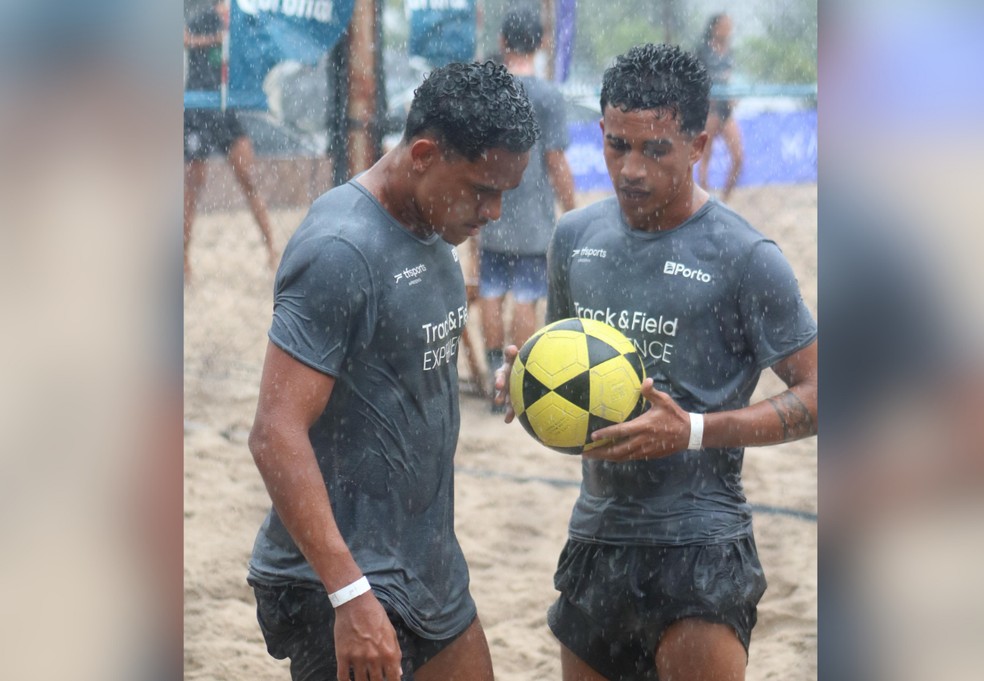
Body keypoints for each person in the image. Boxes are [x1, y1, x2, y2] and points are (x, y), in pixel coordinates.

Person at [494, 44, 818, 680]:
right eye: (617, 145)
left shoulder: (747, 257)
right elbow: (570, 366)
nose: (630, 168)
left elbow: (824, 393)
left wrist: (694, 429)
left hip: (698, 544)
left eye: (654, 149)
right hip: (596, 538)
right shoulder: (575, 239)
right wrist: (527, 381)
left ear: (698, 145)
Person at [246, 60, 538, 681]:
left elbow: (405, 367)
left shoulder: (436, 222)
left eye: (505, 194)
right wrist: (349, 595)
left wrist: (514, 382)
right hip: (343, 576)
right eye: (483, 190)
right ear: (426, 153)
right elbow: (274, 432)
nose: (493, 213)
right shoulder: (341, 249)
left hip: (426, 559)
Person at [477, 8, 577, 410]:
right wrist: (572, 208)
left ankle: (490, 378)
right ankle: (512, 377)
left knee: (490, 291)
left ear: (502, 43)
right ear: (541, 44)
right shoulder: (548, 95)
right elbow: (555, 161)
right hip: (534, 212)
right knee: (526, 296)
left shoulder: (490, 89)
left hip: (491, 204)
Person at [183, 0, 278, 281]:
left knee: (248, 178)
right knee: (191, 188)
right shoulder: (204, 19)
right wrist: (215, 39)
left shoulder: (243, 24)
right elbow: (184, 39)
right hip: (199, 109)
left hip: (226, 110)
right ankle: (183, 261)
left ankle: (272, 250)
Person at [696, 13, 743, 201]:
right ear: (714, 28)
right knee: (705, 156)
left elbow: (728, 79)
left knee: (738, 157)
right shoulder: (703, 52)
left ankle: (724, 199)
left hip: (726, 110)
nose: (729, 29)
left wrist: (732, 97)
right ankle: (704, 201)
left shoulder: (729, 52)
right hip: (710, 110)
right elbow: (696, 79)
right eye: (725, 25)